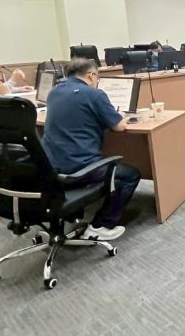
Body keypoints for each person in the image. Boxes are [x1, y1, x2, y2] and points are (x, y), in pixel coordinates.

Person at [42, 58, 140, 241]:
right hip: (79, 169)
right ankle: (101, 226)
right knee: (130, 175)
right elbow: (119, 126)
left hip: (51, 167)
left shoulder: (54, 92)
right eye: (97, 78)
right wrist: (120, 116)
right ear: (91, 75)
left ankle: (77, 212)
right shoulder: (95, 94)